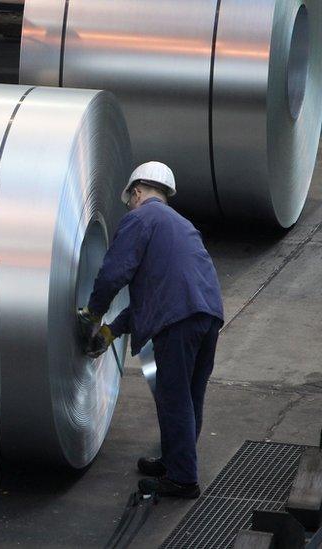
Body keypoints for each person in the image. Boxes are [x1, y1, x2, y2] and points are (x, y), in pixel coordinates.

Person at [78, 161, 224, 499]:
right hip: (208, 316)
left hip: (178, 320)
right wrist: (111, 332)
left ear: (138, 191)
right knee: (190, 396)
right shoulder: (181, 225)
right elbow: (155, 294)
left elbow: (114, 273)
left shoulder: (140, 218)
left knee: (173, 398)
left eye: (129, 198)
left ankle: (183, 480)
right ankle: (176, 462)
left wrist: (92, 313)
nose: (128, 206)